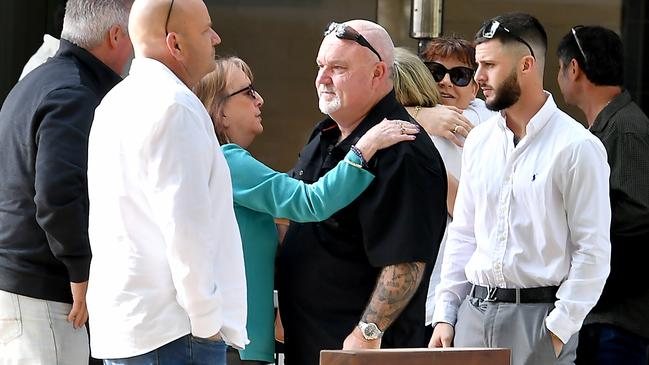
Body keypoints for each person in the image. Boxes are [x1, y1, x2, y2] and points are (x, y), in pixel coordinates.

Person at [194, 56, 418, 365]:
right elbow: (309, 201)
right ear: (219, 110)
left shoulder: (227, 165)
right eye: (248, 92)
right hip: (232, 347)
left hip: (238, 344)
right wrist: (365, 147)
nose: (260, 99)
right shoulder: (228, 161)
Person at [429, 13, 612, 365]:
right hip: (472, 315)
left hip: (539, 319)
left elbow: (593, 252)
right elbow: (464, 234)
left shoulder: (577, 147)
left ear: (526, 65)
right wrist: (445, 314)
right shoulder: (479, 139)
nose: (479, 77)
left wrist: (558, 330)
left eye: (489, 65)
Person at [276, 19, 448, 365]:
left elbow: (406, 260)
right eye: (321, 66)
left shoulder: (402, 149)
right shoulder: (324, 134)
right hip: (309, 342)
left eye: (337, 68)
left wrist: (368, 333)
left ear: (377, 73)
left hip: (360, 352)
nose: (322, 79)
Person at [86, 0, 241, 363]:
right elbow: (185, 227)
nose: (216, 38)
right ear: (175, 44)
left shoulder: (112, 103)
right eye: (206, 30)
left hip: (133, 327)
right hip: (174, 330)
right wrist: (207, 323)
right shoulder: (175, 106)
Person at [0, 0, 132, 363]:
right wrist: (80, 272)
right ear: (115, 35)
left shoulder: (37, 81)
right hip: (46, 297)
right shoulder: (74, 92)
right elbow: (57, 193)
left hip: (21, 292)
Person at [556, 25, 649, 365]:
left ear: (575, 68)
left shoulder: (626, 127)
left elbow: (640, 212)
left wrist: (572, 224)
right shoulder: (607, 126)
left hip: (620, 319)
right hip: (600, 314)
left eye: (560, 67)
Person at [420, 36, 497, 126]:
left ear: (474, 90)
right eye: (436, 73)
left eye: (459, 75)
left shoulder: (489, 119)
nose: (446, 81)